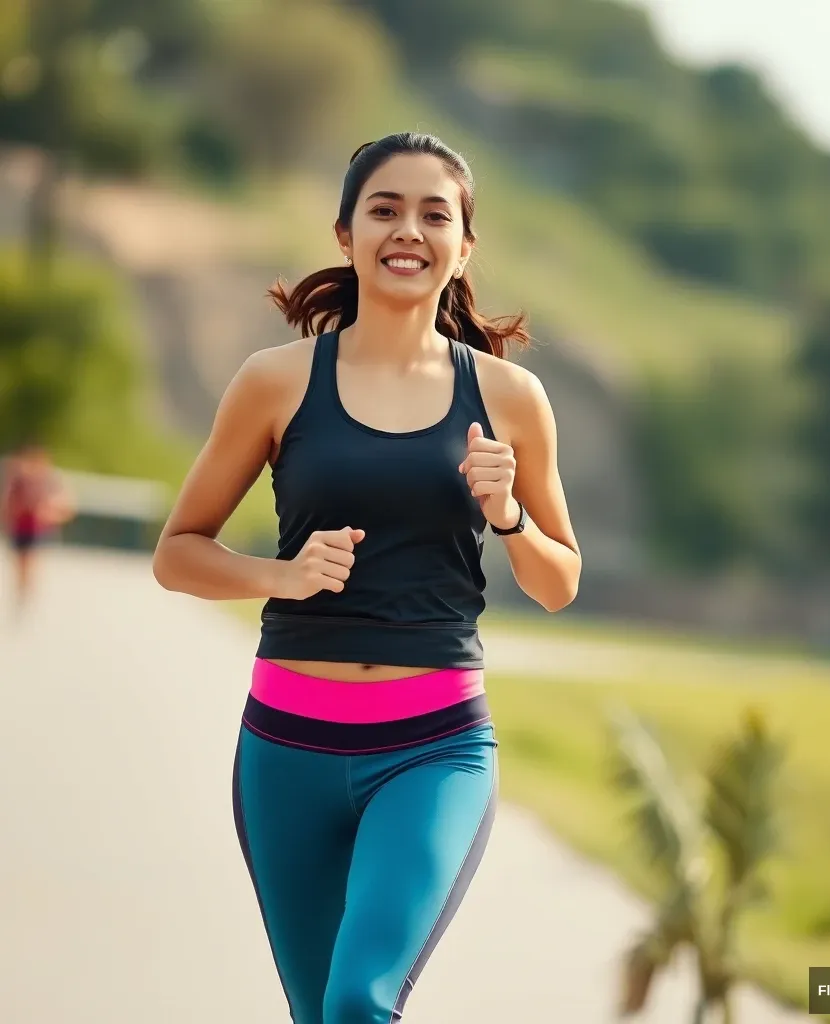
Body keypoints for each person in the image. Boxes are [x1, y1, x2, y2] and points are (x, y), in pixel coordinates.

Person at [152, 132, 581, 1023]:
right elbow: (179, 551)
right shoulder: (273, 384)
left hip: (434, 749)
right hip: (285, 750)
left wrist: (507, 517)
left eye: (436, 214)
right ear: (344, 233)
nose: (408, 230)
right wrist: (281, 574)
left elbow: (559, 581)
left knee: (359, 1001)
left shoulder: (508, 397)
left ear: (465, 247)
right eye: (384, 209)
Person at [1, 442, 75, 614]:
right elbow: (8, 504)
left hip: (35, 529)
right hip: (20, 528)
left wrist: (49, 512)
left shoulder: (47, 479)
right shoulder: (19, 479)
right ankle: (22, 594)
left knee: (30, 563)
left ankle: (26, 595)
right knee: (21, 564)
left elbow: (66, 504)